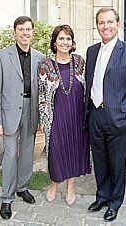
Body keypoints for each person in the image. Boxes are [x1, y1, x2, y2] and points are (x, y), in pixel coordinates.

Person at [85, 7, 126, 222]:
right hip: (95, 115)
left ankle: (115, 201)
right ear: (97, 25)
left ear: (118, 24)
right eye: (101, 23)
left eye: (110, 22)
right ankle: (102, 195)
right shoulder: (92, 51)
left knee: (117, 163)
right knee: (99, 160)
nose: (105, 26)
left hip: (118, 118)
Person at [0, 16, 45, 219]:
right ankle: (6, 198)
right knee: (11, 155)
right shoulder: (2, 56)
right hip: (9, 113)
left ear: (32, 32)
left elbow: (42, 91)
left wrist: (41, 116)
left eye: (28, 29)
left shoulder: (40, 57)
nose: (25, 33)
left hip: (31, 110)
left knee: (28, 153)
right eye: (21, 29)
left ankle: (22, 187)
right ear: (15, 32)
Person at [38, 24, 91, 205]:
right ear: (54, 42)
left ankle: (71, 187)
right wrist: (44, 120)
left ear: (72, 42)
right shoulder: (45, 65)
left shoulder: (80, 62)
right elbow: (42, 95)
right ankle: (54, 184)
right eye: (61, 38)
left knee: (76, 151)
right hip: (56, 117)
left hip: (77, 117)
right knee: (56, 152)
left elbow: (88, 90)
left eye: (68, 38)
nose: (65, 42)